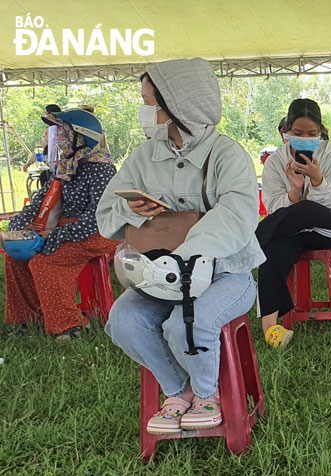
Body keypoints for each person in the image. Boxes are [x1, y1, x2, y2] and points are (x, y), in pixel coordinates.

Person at [97, 58, 263, 434]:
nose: (145, 110)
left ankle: (209, 393)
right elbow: (106, 214)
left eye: (150, 101)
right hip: (158, 277)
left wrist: (183, 255)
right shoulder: (142, 157)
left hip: (227, 276)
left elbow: (237, 215)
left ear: (178, 105)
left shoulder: (227, 154)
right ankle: (179, 390)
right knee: (123, 320)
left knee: (186, 324)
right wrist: (131, 207)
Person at [255, 98, 331, 348]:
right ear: (286, 132)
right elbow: (271, 207)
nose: (306, 138)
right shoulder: (275, 162)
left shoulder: (330, 154)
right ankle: (271, 329)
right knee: (274, 249)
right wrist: (295, 190)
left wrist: (317, 180)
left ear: (320, 132)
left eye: (312, 133)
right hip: (294, 231)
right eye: (298, 133)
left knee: (306, 209)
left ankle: (252, 240)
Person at [4, 109, 117, 341]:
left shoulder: (101, 169)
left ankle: (69, 325)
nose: (56, 139)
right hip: (67, 229)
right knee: (15, 257)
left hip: (97, 233)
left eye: (62, 133)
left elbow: (97, 217)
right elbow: (38, 203)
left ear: (81, 138)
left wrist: (56, 235)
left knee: (45, 262)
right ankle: (31, 318)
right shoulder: (66, 167)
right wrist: (15, 229)